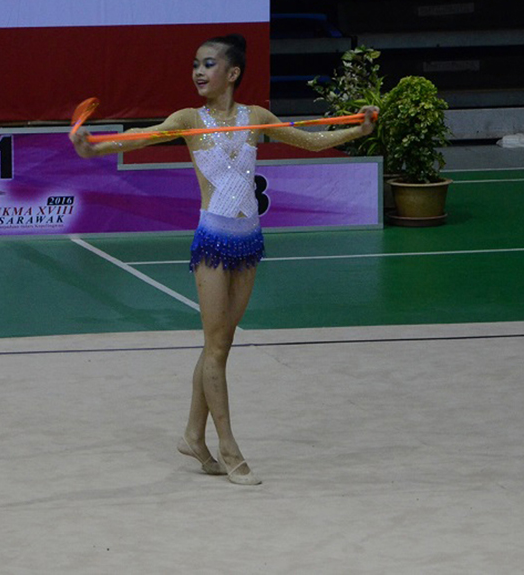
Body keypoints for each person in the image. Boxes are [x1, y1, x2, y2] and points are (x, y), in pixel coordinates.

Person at [71, 34, 378, 485]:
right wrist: (94, 148)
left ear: (232, 74)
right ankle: (230, 449)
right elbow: (140, 140)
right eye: (195, 64)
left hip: (250, 243)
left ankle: (194, 435)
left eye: (208, 64)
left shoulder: (256, 118)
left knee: (220, 346)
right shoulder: (188, 119)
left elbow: (310, 142)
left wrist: (359, 130)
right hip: (214, 242)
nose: (198, 71)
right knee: (215, 348)